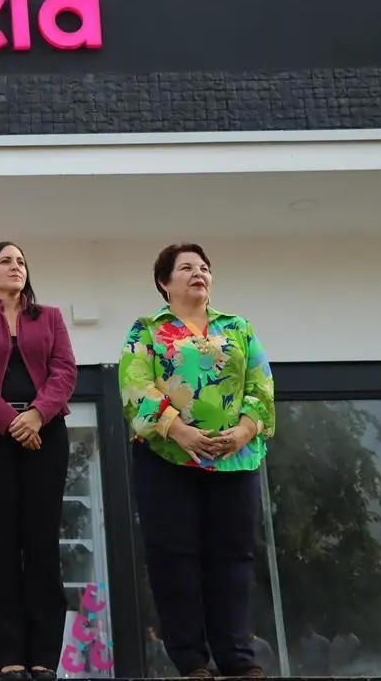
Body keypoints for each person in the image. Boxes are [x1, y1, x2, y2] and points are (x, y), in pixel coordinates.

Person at [119, 242, 275, 679]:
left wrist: (245, 429)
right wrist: (178, 429)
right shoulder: (147, 329)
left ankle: (236, 657)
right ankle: (191, 660)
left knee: (233, 558)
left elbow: (261, 386)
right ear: (164, 283)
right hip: (167, 458)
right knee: (174, 559)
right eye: (186, 268)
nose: (198, 273)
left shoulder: (238, 327)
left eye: (203, 267)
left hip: (234, 460)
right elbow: (135, 387)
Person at [0, 241, 78, 680]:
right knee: (2, 544)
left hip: (46, 433)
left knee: (41, 542)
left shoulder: (52, 318)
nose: (16, 266)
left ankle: (44, 654)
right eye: (6, 260)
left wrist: (38, 415)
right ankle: (10, 655)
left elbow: (65, 372)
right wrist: (12, 422)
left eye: (22, 261)